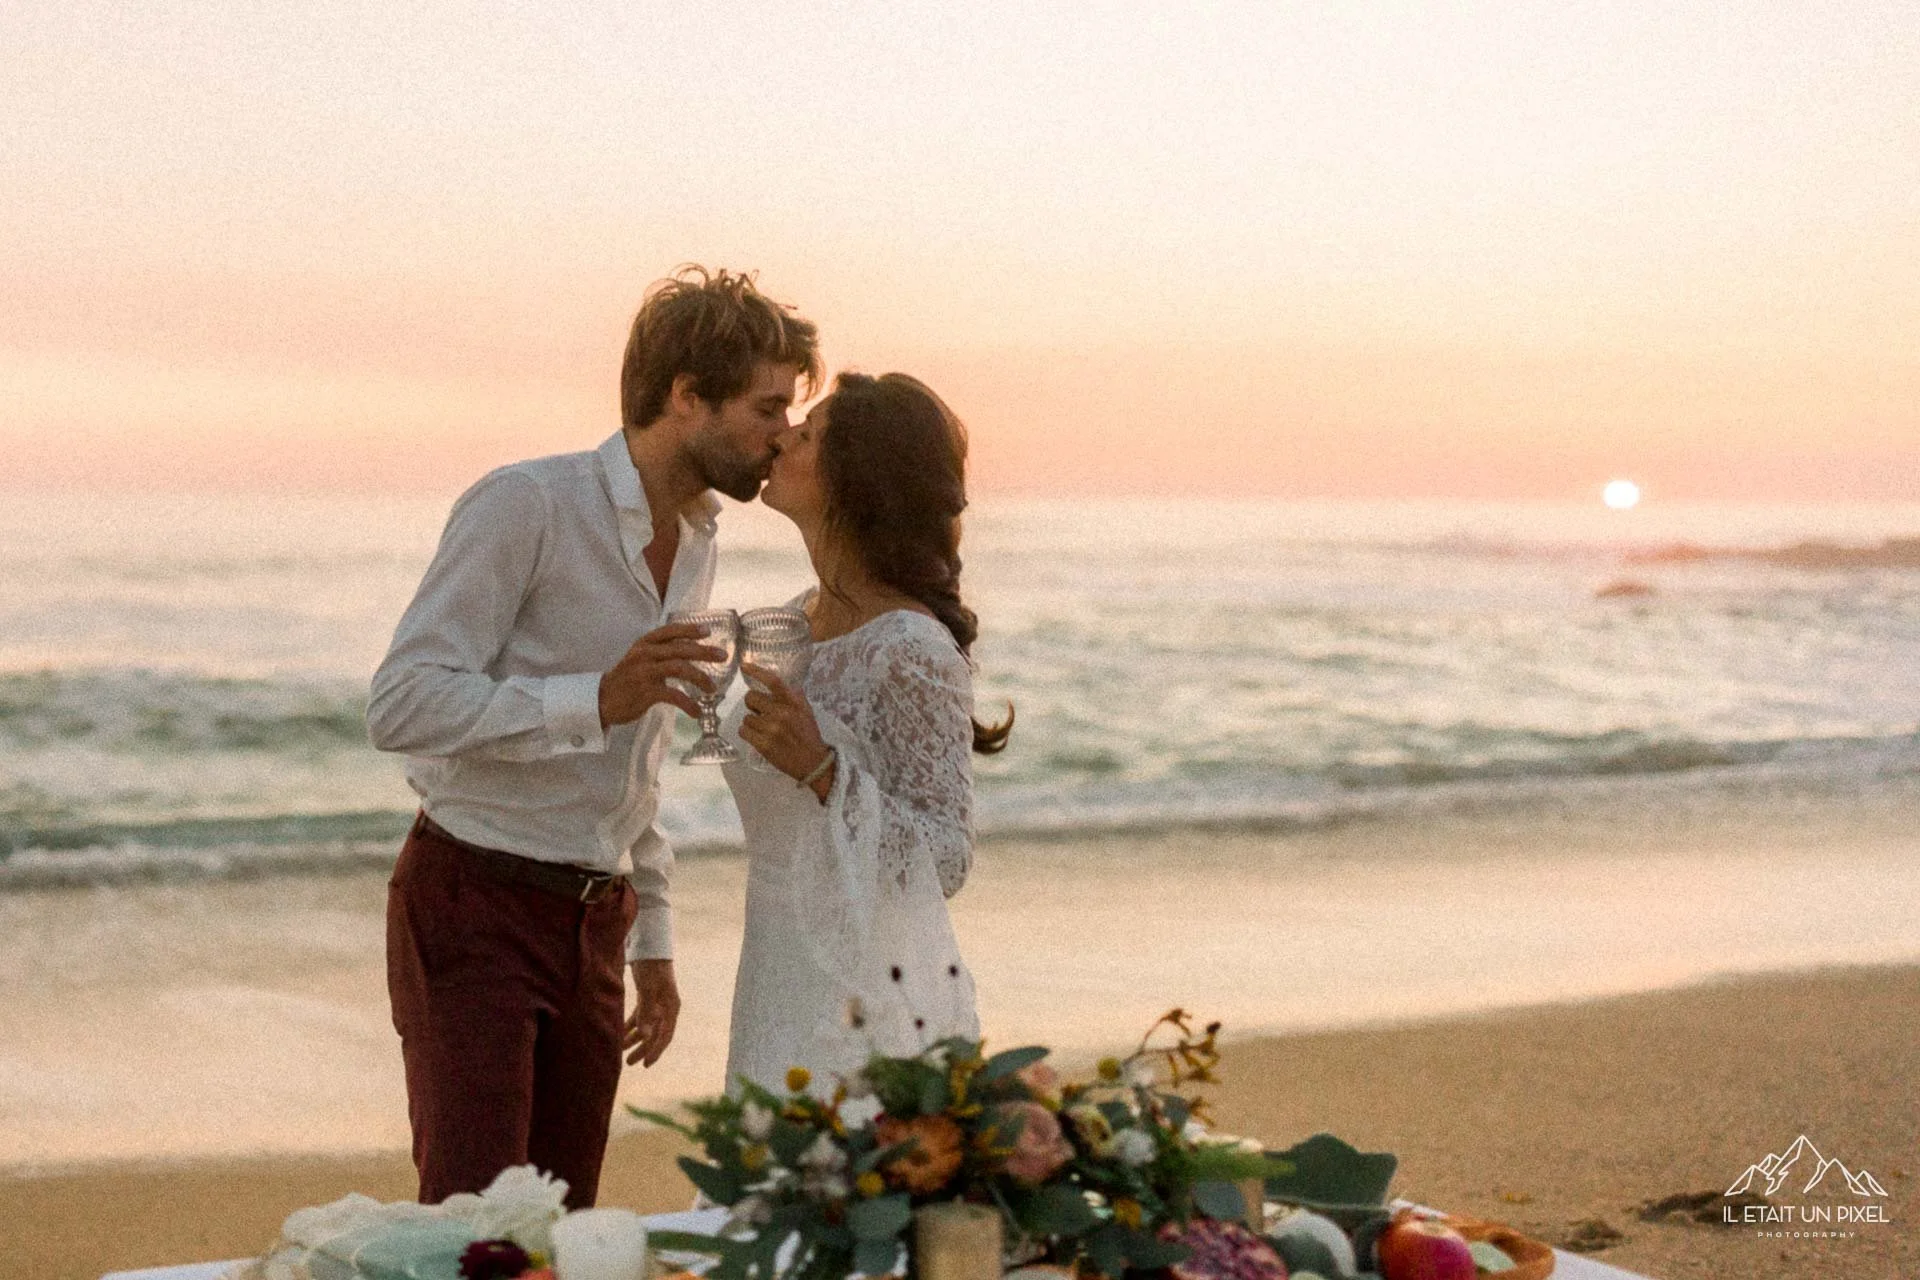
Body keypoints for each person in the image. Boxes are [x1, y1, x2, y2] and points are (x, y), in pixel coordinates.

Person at [366, 266, 820, 1207]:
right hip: (474, 900)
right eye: (768, 406)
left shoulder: (697, 537)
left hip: (596, 921)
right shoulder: (526, 503)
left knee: (566, 1224)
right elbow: (403, 701)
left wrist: (652, 938)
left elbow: (637, 764)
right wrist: (595, 697)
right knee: (477, 1229)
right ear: (687, 396)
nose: (783, 433)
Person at [721, 372, 1012, 1094]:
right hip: (778, 973)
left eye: (809, 434)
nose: (783, 436)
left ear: (856, 479)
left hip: (873, 996)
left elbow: (946, 859)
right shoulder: (792, 620)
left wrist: (824, 770)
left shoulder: (909, 647)